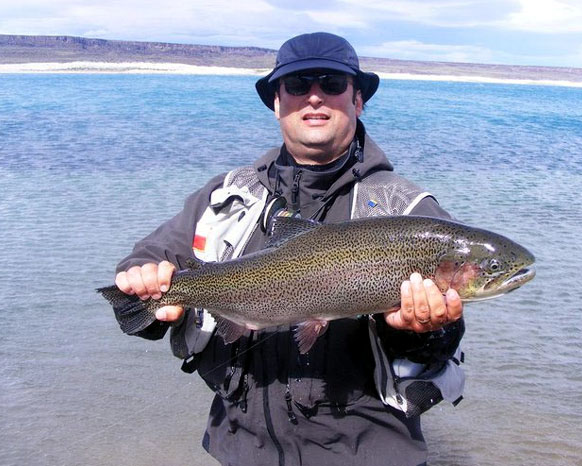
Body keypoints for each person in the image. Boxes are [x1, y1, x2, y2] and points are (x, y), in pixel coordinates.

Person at [113, 32, 465, 466]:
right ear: (277, 103)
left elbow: (441, 351)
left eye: (332, 84)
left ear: (357, 100)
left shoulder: (409, 212)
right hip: (239, 448)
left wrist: (425, 328)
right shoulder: (226, 197)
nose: (314, 97)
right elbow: (139, 281)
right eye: (298, 85)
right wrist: (143, 284)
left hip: (366, 453)